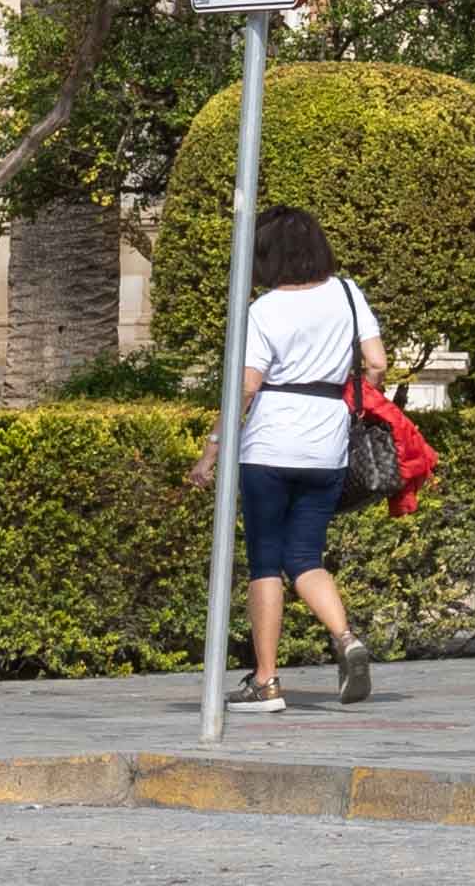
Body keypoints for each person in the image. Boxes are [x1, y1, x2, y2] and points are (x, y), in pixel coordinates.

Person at [197, 202, 387, 710]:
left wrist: (211, 450)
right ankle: (346, 637)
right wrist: (358, 396)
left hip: (270, 442)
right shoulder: (348, 294)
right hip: (327, 442)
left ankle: (266, 681)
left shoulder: (265, 309)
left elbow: (247, 388)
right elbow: (376, 362)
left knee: (265, 562)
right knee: (306, 556)